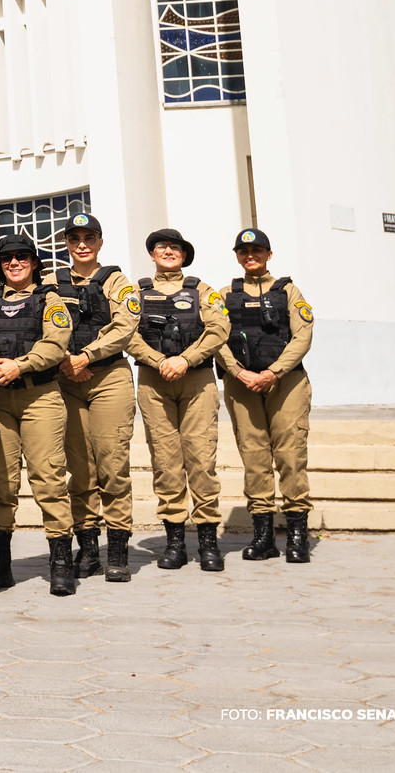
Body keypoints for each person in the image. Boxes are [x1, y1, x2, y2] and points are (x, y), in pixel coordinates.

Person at [0, 233, 76, 597]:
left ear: (34, 262)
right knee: (0, 483)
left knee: (48, 479)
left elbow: (56, 344)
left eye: (21, 257)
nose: (14, 263)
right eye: (7, 258)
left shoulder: (49, 299)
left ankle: (61, 564)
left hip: (39, 396)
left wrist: (19, 366)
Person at [129, 227, 230, 571]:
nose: (168, 251)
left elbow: (219, 329)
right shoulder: (137, 292)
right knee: (166, 462)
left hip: (197, 381)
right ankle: (175, 543)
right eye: (161, 247)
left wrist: (185, 360)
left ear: (184, 255)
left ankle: (208, 541)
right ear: (152, 254)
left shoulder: (203, 291)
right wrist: (160, 361)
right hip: (153, 382)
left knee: (201, 459)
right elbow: (125, 332)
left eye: (175, 247)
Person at [219, 228, 316, 564]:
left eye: (257, 250)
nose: (251, 256)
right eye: (244, 252)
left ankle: (297, 535)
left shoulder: (288, 291)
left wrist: (273, 372)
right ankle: (263, 536)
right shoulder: (225, 295)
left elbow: (302, 336)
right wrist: (238, 372)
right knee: (254, 458)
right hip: (242, 384)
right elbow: (215, 337)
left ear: (268, 254)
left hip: (285, 383)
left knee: (290, 455)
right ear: (237, 256)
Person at [55, 212, 142, 584]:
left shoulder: (117, 281)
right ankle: (88, 549)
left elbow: (125, 326)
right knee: (79, 469)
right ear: (66, 243)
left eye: (89, 238)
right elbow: (42, 323)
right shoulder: (52, 281)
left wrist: (87, 356)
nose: (82, 244)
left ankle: (117, 551)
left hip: (108, 378)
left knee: (112, 465)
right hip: (66, 378)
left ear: (100, 242)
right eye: (75, 238)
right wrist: (66, 360)